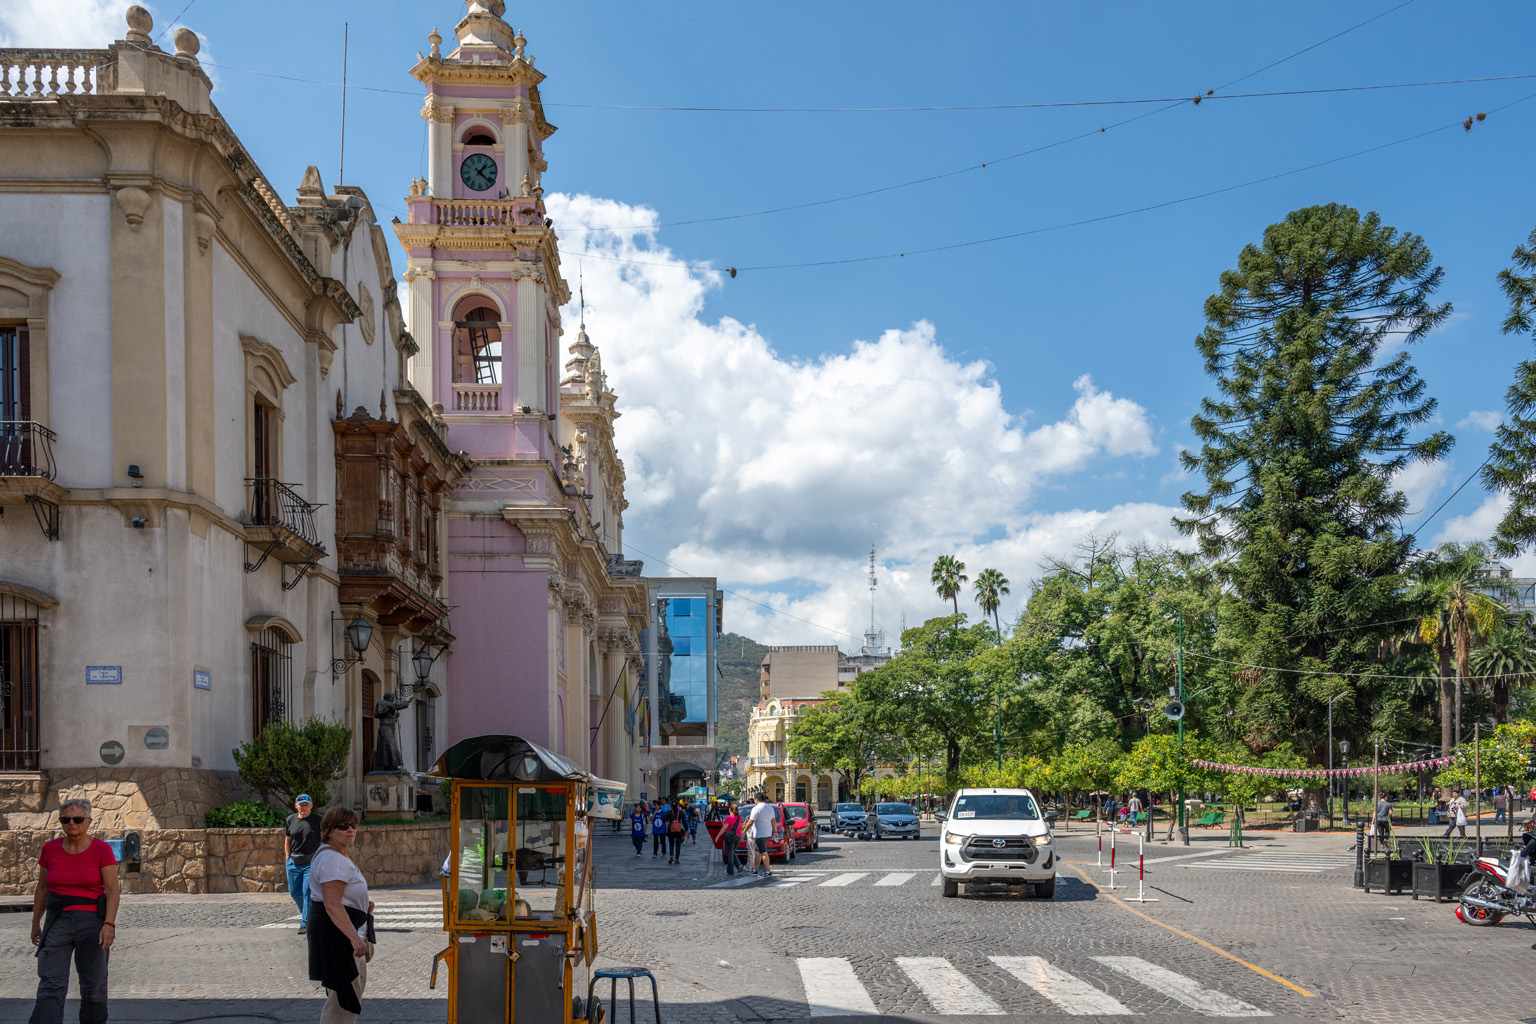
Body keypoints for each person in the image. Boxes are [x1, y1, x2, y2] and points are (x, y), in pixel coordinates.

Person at [28, 798, 119, 1024]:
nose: (71, 823)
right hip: (57, 920)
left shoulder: (101, 849)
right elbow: (42, 888)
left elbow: (112, 890)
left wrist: (109, 924)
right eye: (66, 819)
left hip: (92, 922)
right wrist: (36, 923)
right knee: (50, 981)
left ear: (88, 821)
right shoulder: (50, 849)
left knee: (93, 985)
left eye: (77, 819)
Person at [307, 806, 374, 1024]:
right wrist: (355, 939)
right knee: (342, 1002)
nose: (351, 830)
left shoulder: (333, 855)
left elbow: (339, 899)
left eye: (354, 825)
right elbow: (332, 904)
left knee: (344, 997)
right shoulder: (332, 860)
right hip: (340, 938)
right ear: (329, 830)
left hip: (341, 933)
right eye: (343, 826)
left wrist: (362, 905)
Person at [285, 794, 322, 936]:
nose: (304, 807)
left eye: (306, 804)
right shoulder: (290, 820)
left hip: (311, 860)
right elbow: (288, 840)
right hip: (294, 860)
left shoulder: (318, 820)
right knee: (294, 891)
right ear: (296, 806)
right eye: (301, 805)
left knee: (307, 891)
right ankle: (307, 912)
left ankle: (305, 922)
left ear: (311, 806)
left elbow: (325, 838)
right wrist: (287, 858)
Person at [747, 795, 776, 878]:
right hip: (767, 832)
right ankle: (755, 870)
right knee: (757, 852)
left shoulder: (756, 808)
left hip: (760, 834)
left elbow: (750, 822)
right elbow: (773, 820)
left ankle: (768, 871)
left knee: (763, 852)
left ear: (756, 799)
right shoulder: (770, 807)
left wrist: (744, 831)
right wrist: (775, 831)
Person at [719, 803, 742, 876]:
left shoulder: (729, 818)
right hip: (737, 836)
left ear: (730, 810)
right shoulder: (740, 817)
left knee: (730, 853)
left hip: (730, 837)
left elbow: (724, 828)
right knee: (732, 852)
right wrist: (741, 836)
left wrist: (717, 836)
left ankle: (730, 870)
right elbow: (741, 828)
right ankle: (738, 865)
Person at [665, 799, 688, 864]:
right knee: (678, 845)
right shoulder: (681, 812)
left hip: (671, 830)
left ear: (671, 806)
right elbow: (684, 822)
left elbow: (664, 819)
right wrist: (686, 830)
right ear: (678, 805)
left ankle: (671, 856)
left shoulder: (669, 812)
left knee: (671, 844)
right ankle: (677, 859)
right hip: (678, 831)